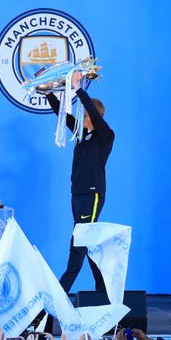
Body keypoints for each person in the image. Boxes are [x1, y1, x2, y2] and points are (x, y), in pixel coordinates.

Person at [46, 71, 115, 293]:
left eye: (85, 115)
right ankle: (103, 294)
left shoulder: (106, 135)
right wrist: (48, 93)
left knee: (78, 244)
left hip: (92, 195)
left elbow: (93, 112)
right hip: (77, 195)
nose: (83, 118)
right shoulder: (81, 135)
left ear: (94, 117)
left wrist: (77, 88)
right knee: (90, 245)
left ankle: (60, 293)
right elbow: (63, 116)